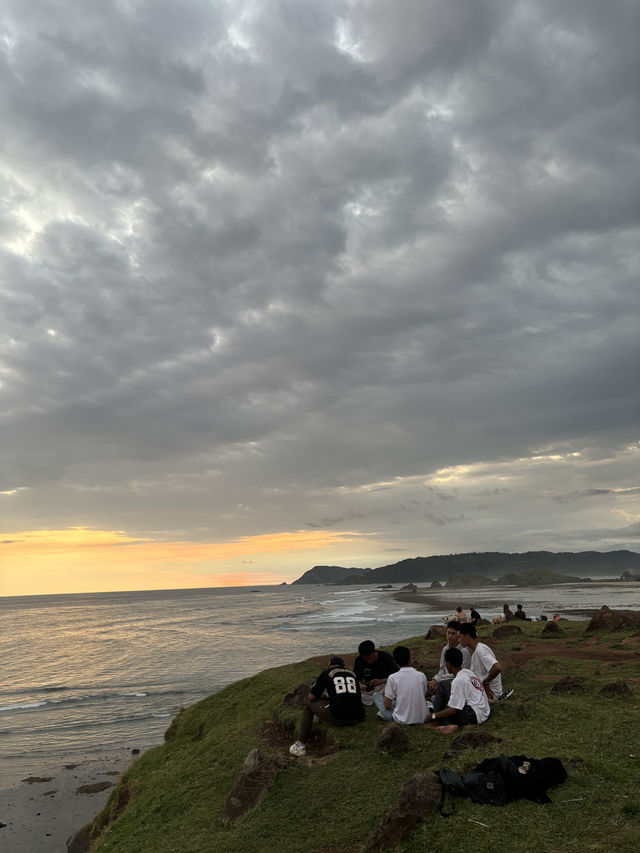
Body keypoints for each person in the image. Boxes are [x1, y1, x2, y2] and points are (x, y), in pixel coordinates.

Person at [289, 656, 364, 757]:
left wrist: (320, 696)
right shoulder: (352, 674)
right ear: (343, 666)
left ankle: (300, 745)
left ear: (329, 666)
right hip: (358, 717)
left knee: (309, 706)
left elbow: (311, 697)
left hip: (340, 718)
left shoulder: (326, 673)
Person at [423, 647, 490, 734]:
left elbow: (453, 710)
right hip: (484, 711)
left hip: (473, 716)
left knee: (449, 708)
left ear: (448, 664)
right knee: (443, 685)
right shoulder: (467, 672)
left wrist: (432, 716)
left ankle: (441, 722)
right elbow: (454, 682)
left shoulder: (458, 681)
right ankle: (446, 723)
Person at [373, 646, 429, 724]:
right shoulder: (421, 675)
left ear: (395, 661)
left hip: (402, 719)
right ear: (409, 659)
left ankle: (391, 714)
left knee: (376, 696)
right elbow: (423, 695)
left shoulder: (392, 678)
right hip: (423, 717)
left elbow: (387, 706)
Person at [458, 623, 513, 703]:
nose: (458, 640)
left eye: (460, 637)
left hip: (490, 694)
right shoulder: (475, 653)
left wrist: (485, 682)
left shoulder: (480, 650)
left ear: (466, 636)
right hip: (483, 692)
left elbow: (497, 668)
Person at [427, 621, 471, 704]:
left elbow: (460, 674)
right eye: (448, 633)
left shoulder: (464, 651)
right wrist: (436, 680)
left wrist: (437, 681)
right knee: (426, 687)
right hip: (443, 680)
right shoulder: (445, 649)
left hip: (457, 683)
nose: (450, 636)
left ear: (458, 635)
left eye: (453, 634)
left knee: (436, 694)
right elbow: (442, 669)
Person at [352, 640, 398, 706]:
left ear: (375, 651)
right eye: (366, 659)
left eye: (371, 658)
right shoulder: (359, 660)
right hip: (369, 690)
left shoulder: (386, 657)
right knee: (353, 692)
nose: (369, 661)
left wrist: (381, 681)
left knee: (390, 688)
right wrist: (363, 686)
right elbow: (357, 680)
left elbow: (397, 677)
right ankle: (377, 699)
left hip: (383, 686)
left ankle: (373, 700)